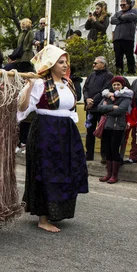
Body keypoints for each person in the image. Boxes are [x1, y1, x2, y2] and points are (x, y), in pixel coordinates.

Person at [17, 45, 88, 233]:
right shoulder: (40, 84)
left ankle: (58, 211)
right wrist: (28, 86)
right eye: (60, 62)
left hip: (66, 132)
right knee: (46, 171)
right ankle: (43, 218)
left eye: (66, 62)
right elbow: (22, 108)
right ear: (50, 64)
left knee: (66, 170)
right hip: (46, 131)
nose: (65, 66)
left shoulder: (68, 83)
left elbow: (71, 111)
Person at [97, 76, 133, 184]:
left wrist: (107, 109)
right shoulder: (108, 96)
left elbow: (121, 110)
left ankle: (114, 175)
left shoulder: (126, 97)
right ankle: (108, 173)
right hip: (107, 126)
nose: (116, 87)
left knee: (114, 149)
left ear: (122, 85)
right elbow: (99, 107)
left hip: (118, 127)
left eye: (118, 84)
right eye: (114, 85)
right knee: (107, 149)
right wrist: (112, 107)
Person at [82, 56, 113, 161]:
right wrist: (87, 99)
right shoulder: (91, 75)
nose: (93, 65)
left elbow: (105, 90)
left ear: (103, 65)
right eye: (94, 63)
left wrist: (93, 101)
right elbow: (85, 88)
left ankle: (104, 155)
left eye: (96, 63)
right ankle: (89, 154)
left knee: (103, 132)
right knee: (89, 132)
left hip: (101, 108)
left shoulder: (109, 76)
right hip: (90, 108)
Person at [110, 0, 137, 75]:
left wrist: (120, 18)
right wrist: (123, 18)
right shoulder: (119, 12)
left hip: (128, 38)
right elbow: (112, 20)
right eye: (121, 5)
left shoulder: (134, 11)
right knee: (118, 57)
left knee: (129, 56)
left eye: (124, 5)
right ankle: (119, 71)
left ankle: (131, 71)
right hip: (117, 38)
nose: (122, 6)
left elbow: (131, 16)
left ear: (129, 4)